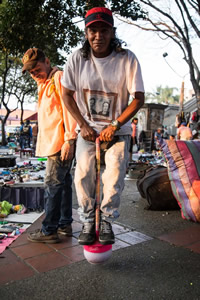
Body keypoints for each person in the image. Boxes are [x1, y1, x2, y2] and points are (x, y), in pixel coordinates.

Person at [61, 7, 145, 246]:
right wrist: (82, 124)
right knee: (84, 174)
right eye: (93, 30)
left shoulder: (126, 58)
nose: (98, 36)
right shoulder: (77, 58)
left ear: (112, 32)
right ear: (86, 32)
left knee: (114, 176)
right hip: (87, 131)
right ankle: (88, 220)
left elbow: (138, 98)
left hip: (118, 131)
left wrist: (116, 124)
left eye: (104, 30)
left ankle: (106, 219)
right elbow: (67, 95)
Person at [21, 48, 77, 243]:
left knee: (52, 186)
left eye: (36, 68)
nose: (34, 73)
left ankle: (49, 230)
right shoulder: (44, 83)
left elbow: (69, 109)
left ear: (47, 61)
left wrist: (70, 139)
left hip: (60, 143)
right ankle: (64, 224)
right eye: (31, 71)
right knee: (63, 184)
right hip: (55, 143)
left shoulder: (58, 77)